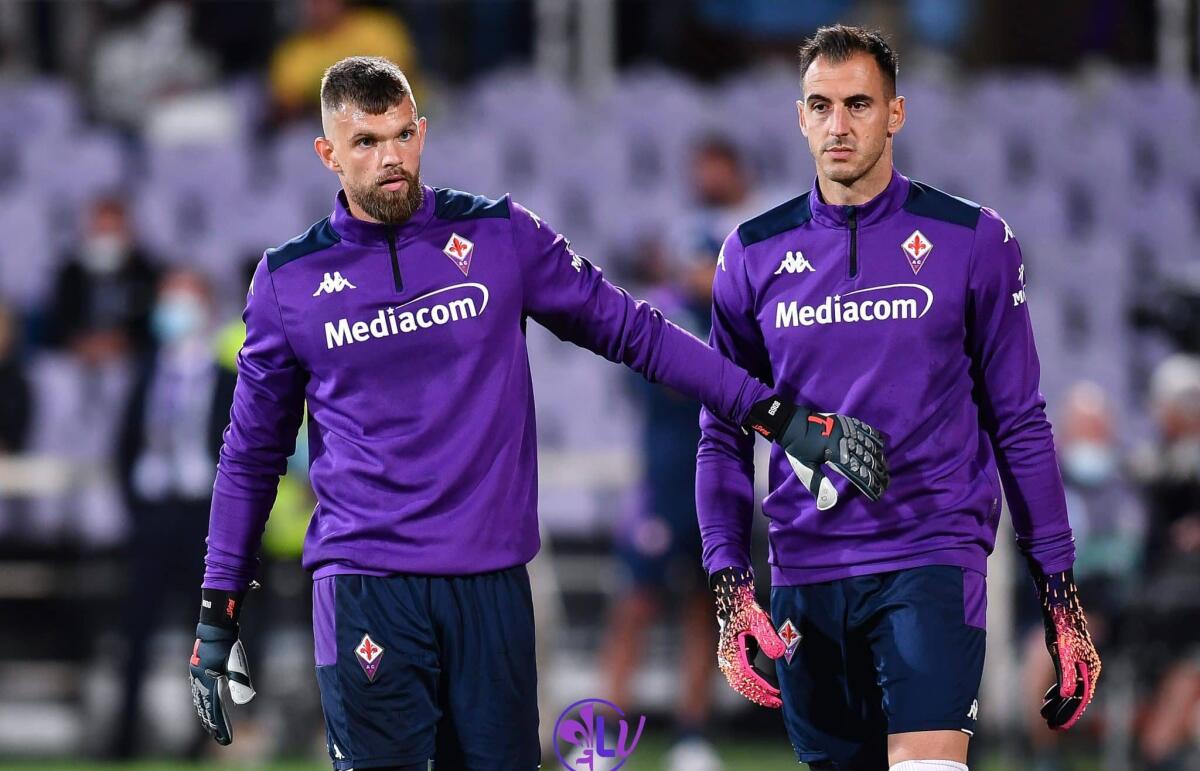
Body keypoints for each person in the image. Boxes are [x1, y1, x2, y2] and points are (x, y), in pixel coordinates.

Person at [187, 56, 888, 771]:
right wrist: (218, 608)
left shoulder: (498, 237)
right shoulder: (288, 281)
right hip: (367, 586)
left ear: (422, 132)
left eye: (400, 135)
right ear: (327, 153)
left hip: (491, 585)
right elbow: (250, 454)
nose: (389, 158)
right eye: (364, 143)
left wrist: (773, 412)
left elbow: (634, 331)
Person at [696, 25, 1100, 771]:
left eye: (858, 104)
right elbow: (723, 432)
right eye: (820, 105)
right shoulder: (749, 254)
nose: (838, 125)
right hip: (806, 571)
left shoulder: (973, 240)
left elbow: (1019, 422)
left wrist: (1059, 593)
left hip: (931, 554)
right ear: (799, 116)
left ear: (896, 114)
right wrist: (731, 584)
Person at [114, 269, 235, 758]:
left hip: (201, 518)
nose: (172, 308)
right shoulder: (146, 370)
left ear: (204, 307)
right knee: (135, 628)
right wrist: (136, 503)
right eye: (167, 298)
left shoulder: (225, 376)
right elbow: (124, 443)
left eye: (182, 298)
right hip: (153, 513)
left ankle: (201, 737)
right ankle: (122, 737)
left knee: (203, 634)